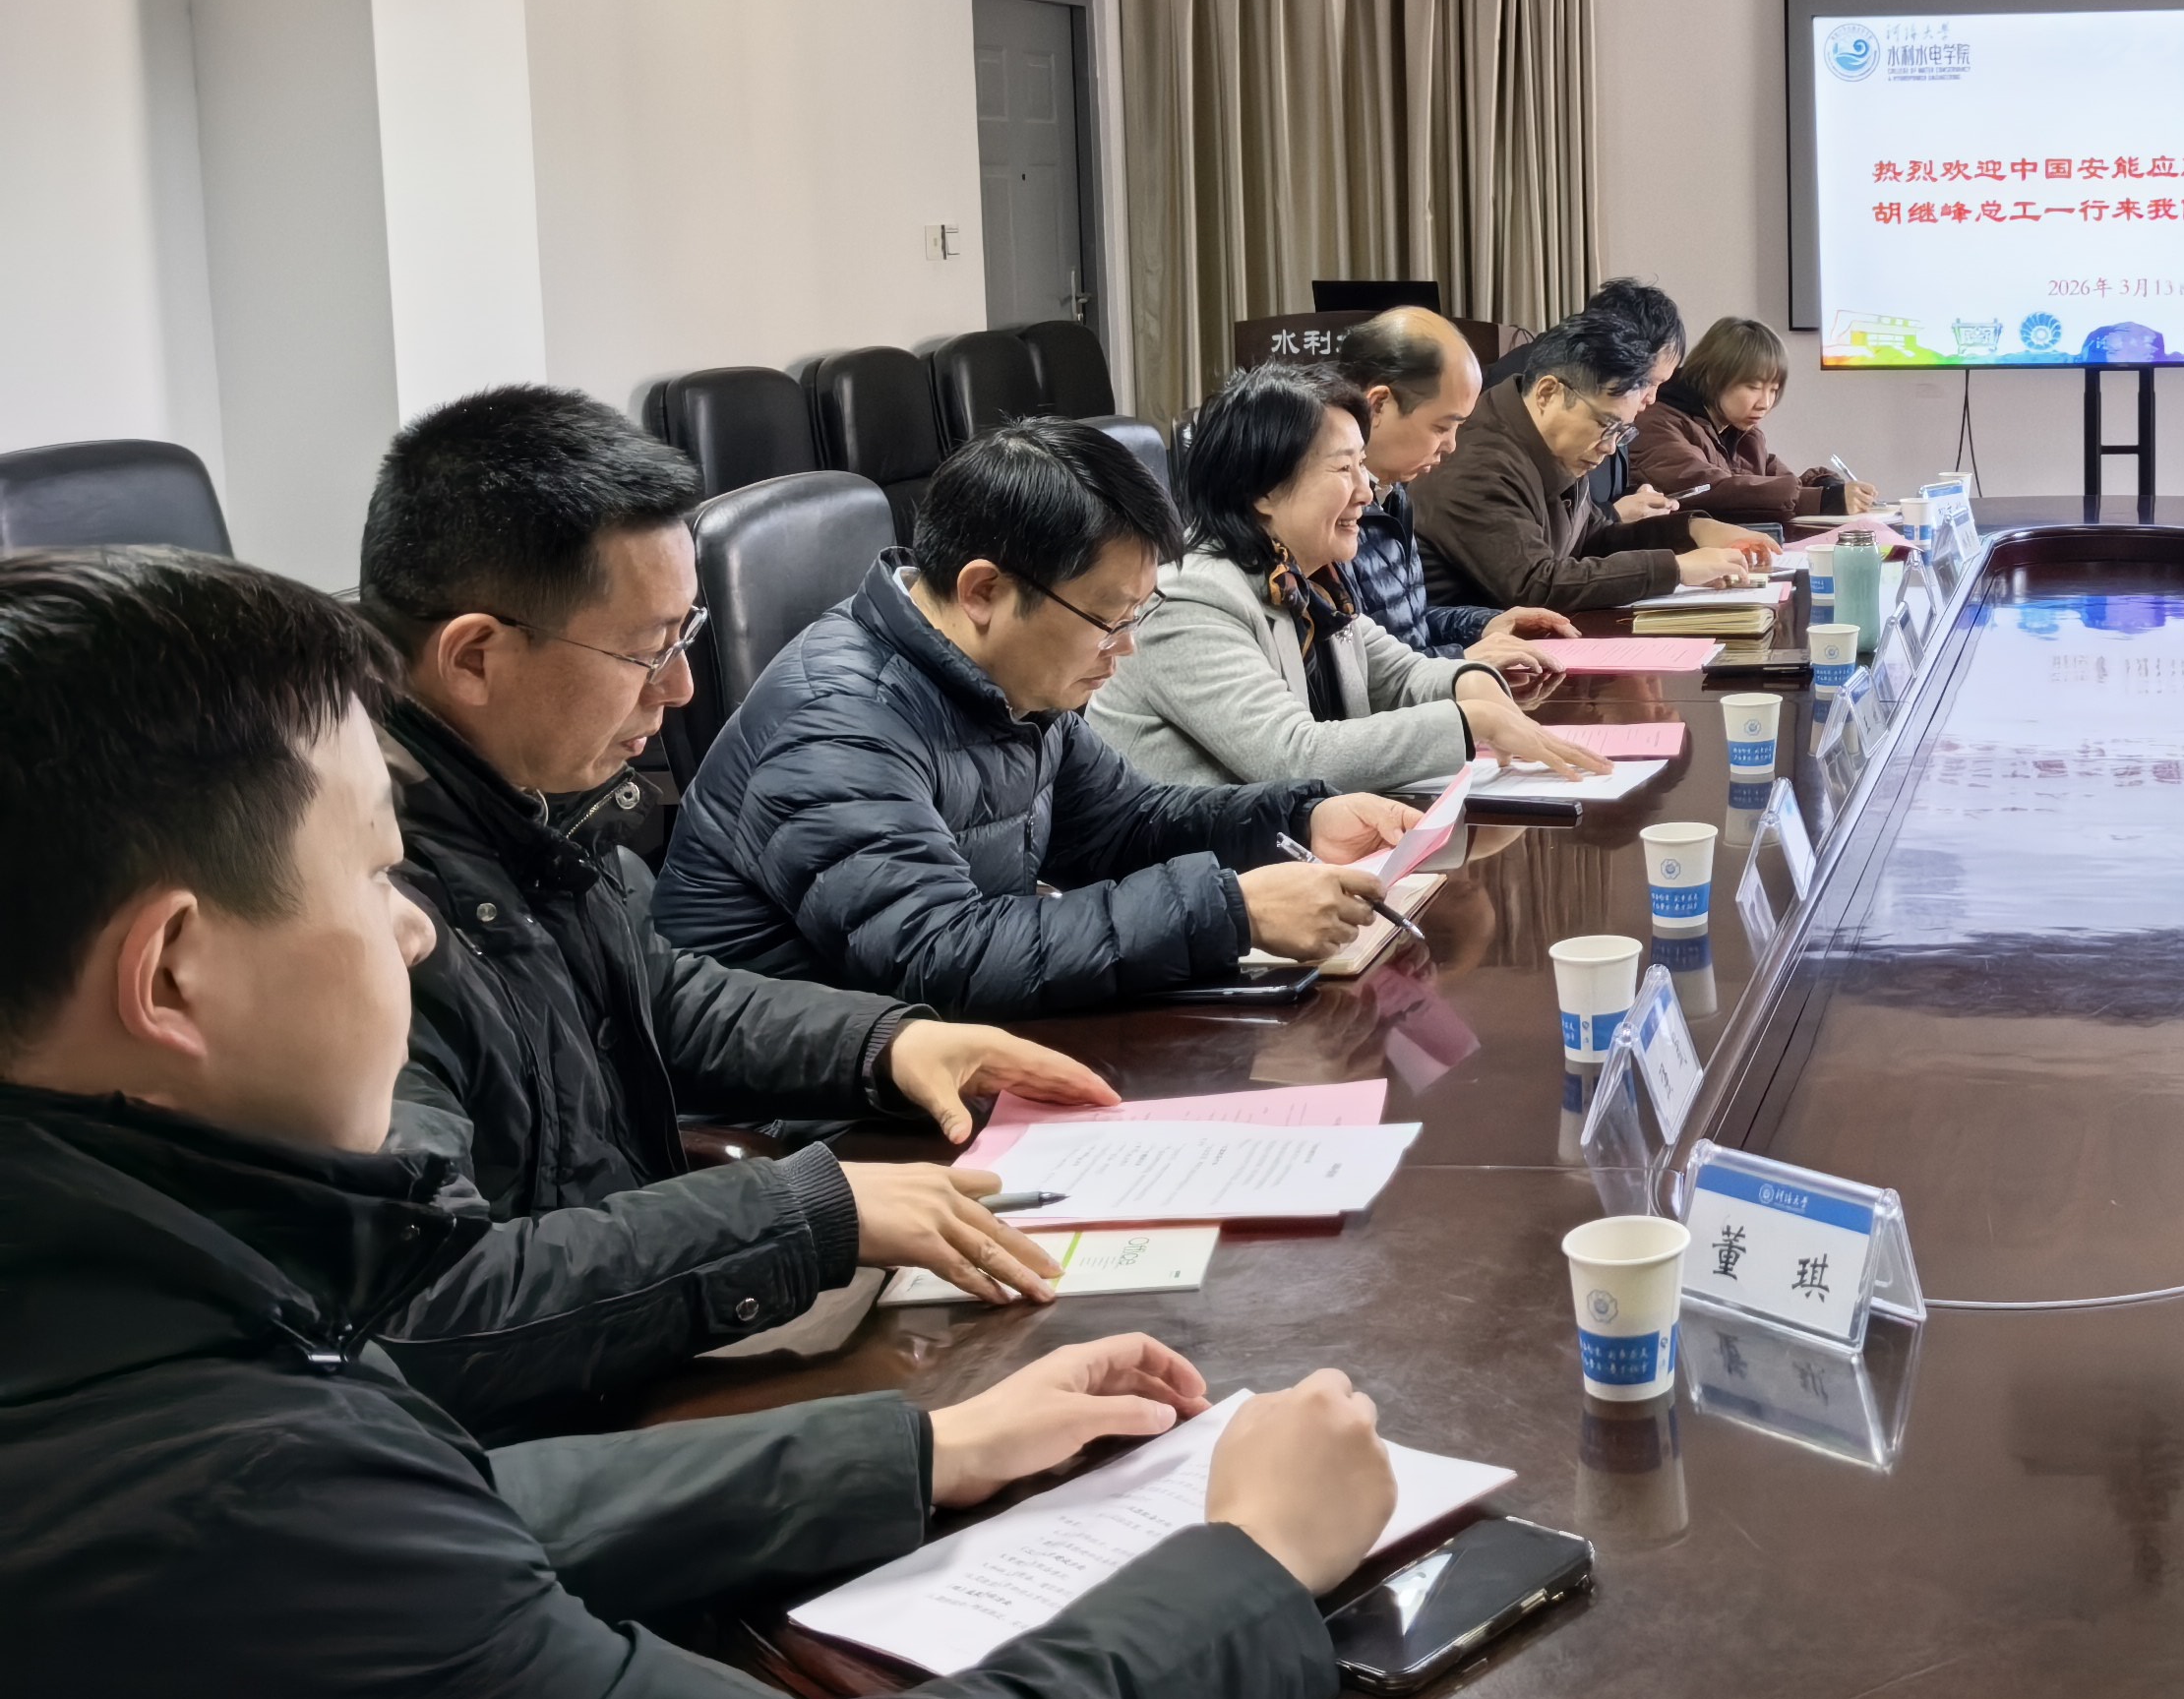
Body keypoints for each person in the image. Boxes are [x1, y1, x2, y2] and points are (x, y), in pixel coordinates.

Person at [0, 544, 1408, 1699]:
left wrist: (918, 1450)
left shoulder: (128, 1325)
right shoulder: (217, 1496)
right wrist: (1250, 1565)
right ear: (172, 974)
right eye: (368, 876)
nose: (409, 929)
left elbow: (461, 1507)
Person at [355, 389, 1115, 1434]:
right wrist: (799, 1213)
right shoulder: (361, 906)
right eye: (646, 649)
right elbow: (434, 1309)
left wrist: (888, 1044)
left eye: (690, 635)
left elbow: (658, 996)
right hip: (538, 1438)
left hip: (628, 1346)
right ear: (475, 656)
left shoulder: (532, 800)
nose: (677, 690)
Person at [656, 418, 1418, 1013]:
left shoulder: (1010, 680)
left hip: (964, 1056)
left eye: (1136, 616)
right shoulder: (837, 724)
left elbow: (1125, 827)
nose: (1125, 649)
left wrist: (1299, 817)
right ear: (984, 591)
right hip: (823, 1122)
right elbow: (938, 957)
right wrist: (1232, 911)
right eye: (1108, 620)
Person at [1095, 365, 1616, 795]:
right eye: (1343, 469)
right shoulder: (1190, 598)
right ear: (1263, 490)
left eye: (1362, 465)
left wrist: (1468, 681)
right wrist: (1470, 722)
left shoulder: (1306, 578)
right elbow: (1293, 756)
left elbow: (1399, 675)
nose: (1366, 492)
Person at [1415, 300, 1778, 616]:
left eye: (1621, 433)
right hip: (1463, 653)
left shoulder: (1550, 444)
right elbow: (1535, 585)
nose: (1610, 447)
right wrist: (1677, 568)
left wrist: (1693, 530)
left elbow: (1594, 539)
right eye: (1606, 426)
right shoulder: (1479, 461)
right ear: (1548, 393)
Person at [1325, 304, 1577, 660]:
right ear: (1378, 405)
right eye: (1442, 426)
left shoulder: (1393, 494)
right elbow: (1361, 668)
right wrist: (1462, 660)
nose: (1451, 445)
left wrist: (1486, 624)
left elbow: (1408, 629)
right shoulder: (1331, 511)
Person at [1630, 314, 1876, 528]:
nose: (1765, 403)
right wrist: (1825, 500)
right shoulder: (1656, 423)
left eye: (1773, 390)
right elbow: (1715, 490)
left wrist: (1824, 485)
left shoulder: (1741, 432)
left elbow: (1776, 482)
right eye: (1753, 387)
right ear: (1712, 376)